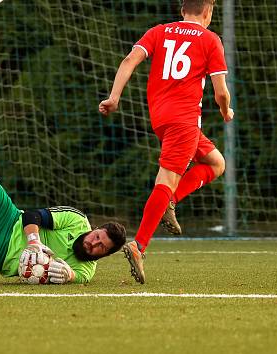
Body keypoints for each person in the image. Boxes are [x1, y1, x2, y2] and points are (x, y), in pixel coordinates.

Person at [98, 0, 234, 284]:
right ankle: (139, 245)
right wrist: (225, 111)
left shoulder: (159, 31)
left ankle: (169, 201)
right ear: (208, 12)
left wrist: (114, 97)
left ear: (182, 10)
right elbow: (221, 93)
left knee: (216, 162)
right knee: (166, 180)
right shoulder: (210, 39)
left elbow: (129, 60)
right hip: (184, 121)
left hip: (161, 119)